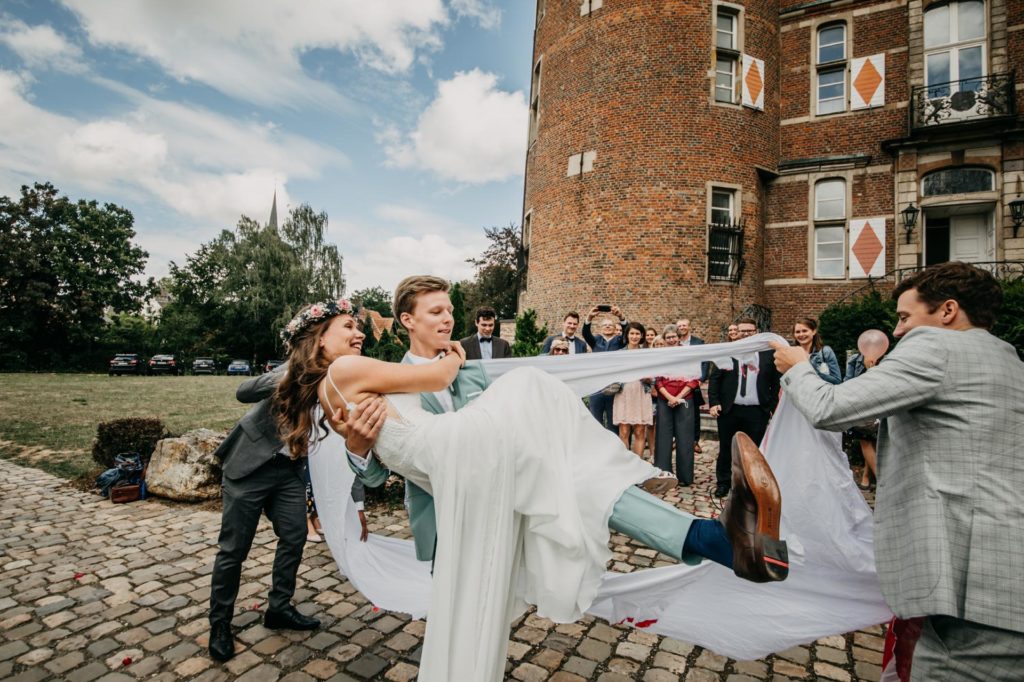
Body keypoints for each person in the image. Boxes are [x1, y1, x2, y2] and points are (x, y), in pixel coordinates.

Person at [278, 285, 788, 681]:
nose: (449, 318)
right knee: (531, 394)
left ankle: (714, 539)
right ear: (408, 320)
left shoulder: (442, 374)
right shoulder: (363, 369)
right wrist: (359, 448)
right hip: (449, 503)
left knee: (576, 480)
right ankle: (646, 487)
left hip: (487, 476)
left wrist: (456, 370)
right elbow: (376, 464)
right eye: (436, 311)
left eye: (450, 309)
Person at [771, 261, 1024, 681]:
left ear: (947, 311)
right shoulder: (1008, 361)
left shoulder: (939, 348)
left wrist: (798, 366)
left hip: (970, 585)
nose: (899, 331)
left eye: (906, 317)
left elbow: (829, 407)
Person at [207, 365, 320, 662]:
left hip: (289, 468)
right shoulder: (295, 366)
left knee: (295, 536)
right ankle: (219, 624)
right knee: (233, 549)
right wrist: (290, 372)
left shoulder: (343, 374)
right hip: (250, 464)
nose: (356, 337)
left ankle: (279, 608)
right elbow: (243, 391)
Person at [707, 318, 782, 498]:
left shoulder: (766, 354)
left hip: (757, 411)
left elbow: (775, 382)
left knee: (754, 450)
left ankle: (749, 485)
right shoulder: (727, 353)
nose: (746, 334)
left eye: (750, 331)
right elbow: (715, 379)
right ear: (736, 332)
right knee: (726, 448)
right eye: (742, 331)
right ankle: (723, 483)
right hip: (729, 409)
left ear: (756, 332)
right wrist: (714, 402)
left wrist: (770, 407)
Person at [582, 305, 629, 431]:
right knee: (595, 421)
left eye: (610, 324)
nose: (608, 326)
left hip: (614, 387)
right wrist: (589, 318)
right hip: (596, 387)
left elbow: (627, 331)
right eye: (605, 325)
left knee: (613, 422)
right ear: (600, 328)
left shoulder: (620, 340)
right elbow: (586, 334)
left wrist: (621, 317)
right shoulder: (596, 341)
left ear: (615, 328)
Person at [653, 367, 700, 485]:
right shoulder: (663, 356)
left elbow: (694, 380)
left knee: (685, 438)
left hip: (685, 398)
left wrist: (678, 398)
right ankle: (663, 473)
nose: (669, 346)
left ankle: (685, 477)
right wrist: (670, 397)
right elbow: (658, 380)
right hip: (664, 398)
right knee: (662, 437)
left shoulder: (689, 356)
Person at [612, 322, 653, 456]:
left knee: (640, 431)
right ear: (627, 335)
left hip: (641, 392)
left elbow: (655, 375)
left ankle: (638, 465)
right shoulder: (619, 354)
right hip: (624, 393)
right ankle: (626, 466)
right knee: (624, 431)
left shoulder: (647, 354)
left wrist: (649, 379)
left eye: (637, 334)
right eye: (632, 333)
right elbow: (612, 374)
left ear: (642, 336)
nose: (634, 336)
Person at [676, 318, 707, 454]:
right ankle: (676, 439)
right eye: (680, 325)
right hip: (676, 383)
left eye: (684, 325)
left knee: (694, 414)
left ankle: (694, 441)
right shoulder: (673, 342)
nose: (682, 327)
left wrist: (701, 379)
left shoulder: (698, 342)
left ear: (689, 327)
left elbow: (705, 362)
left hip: (693, 383)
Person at [792, 317, 841, 384]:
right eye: (797, 332)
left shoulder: (825, 352)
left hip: (819, 393)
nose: (801, 334)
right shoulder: (792, 354)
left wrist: (812, 371)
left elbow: (837, 380)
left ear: (814, 331)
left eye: (804, 331)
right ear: (794, 335)